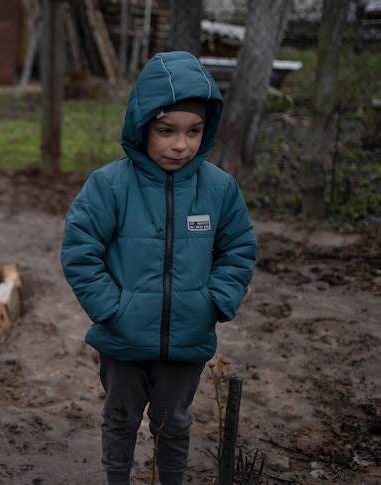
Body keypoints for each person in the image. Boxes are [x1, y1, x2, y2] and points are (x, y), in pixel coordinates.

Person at [60, 51, 257, 485]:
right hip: (123, 340)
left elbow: (238, 249)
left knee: (175, 423)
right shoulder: (109, 185)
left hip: (188, 339)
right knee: (120, 419)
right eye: (166, 131)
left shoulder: (220, 189)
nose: (180, 144)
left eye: (193, 131)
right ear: (142, 125)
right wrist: (113, 310)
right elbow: (80, 250)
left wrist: (214, 303)